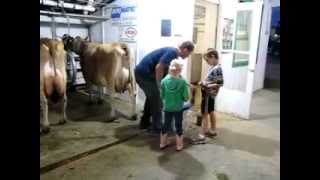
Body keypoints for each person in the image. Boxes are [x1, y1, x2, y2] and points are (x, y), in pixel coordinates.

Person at [134, 41, 194, 133]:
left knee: (152, 98)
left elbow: (174, 72)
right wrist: (160, 86)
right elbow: (159, 67)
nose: (188, 56)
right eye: (189, 54)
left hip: (144, 74)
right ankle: (157, 127)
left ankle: (144, 122)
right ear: (185, 49)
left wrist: (187, 84)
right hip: (144, 74)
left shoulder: (173, 55)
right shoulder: (172, 52)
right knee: (157, 99)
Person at [195, 48, 224, 142]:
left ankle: (203, 133)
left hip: (208, 94)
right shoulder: (213, 67)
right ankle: (212, 130)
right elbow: (213, 80)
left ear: (213, 57)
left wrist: (205, 84)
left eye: (207, 60)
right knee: (211, 111)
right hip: (209, 94)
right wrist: (204, 82)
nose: (207, 62)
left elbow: (220, 83)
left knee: (204, 113)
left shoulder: (217, 68)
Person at [160, 60, 189, 151]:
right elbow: (186, 98)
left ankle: (162, 143)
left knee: (166, 125)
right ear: (179, 70)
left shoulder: (163, 81)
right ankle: (179, 145)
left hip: (167, 107)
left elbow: (162, 96)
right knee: (178, 125)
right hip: (178, 108)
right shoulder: (182, 82)